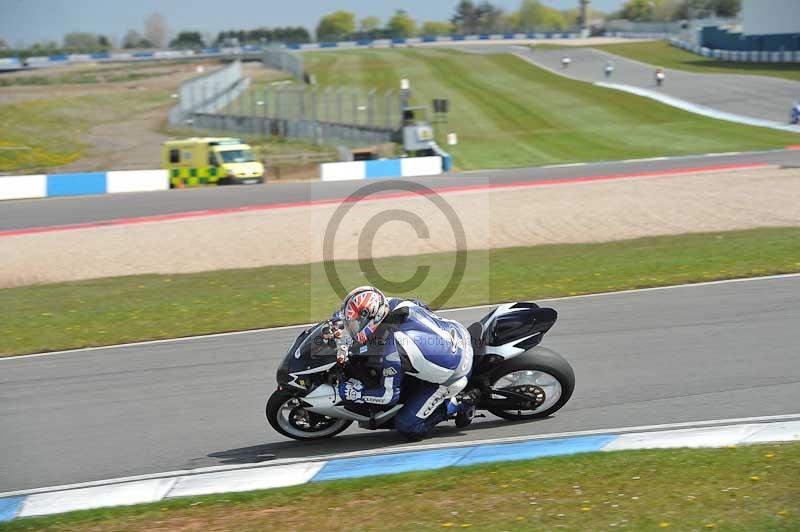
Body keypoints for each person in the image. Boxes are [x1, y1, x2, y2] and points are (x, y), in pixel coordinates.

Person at [323, 286, 475, 441]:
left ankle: (458, 404)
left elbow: (387, 396)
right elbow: (421, 305)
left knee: (407, 426)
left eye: (355, 324)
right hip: (455, 330)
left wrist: (353, 393)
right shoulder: (391, 304)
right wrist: (337, 324)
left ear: (371, 319)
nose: (352, 328)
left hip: (454, 374)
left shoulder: (392, 351)